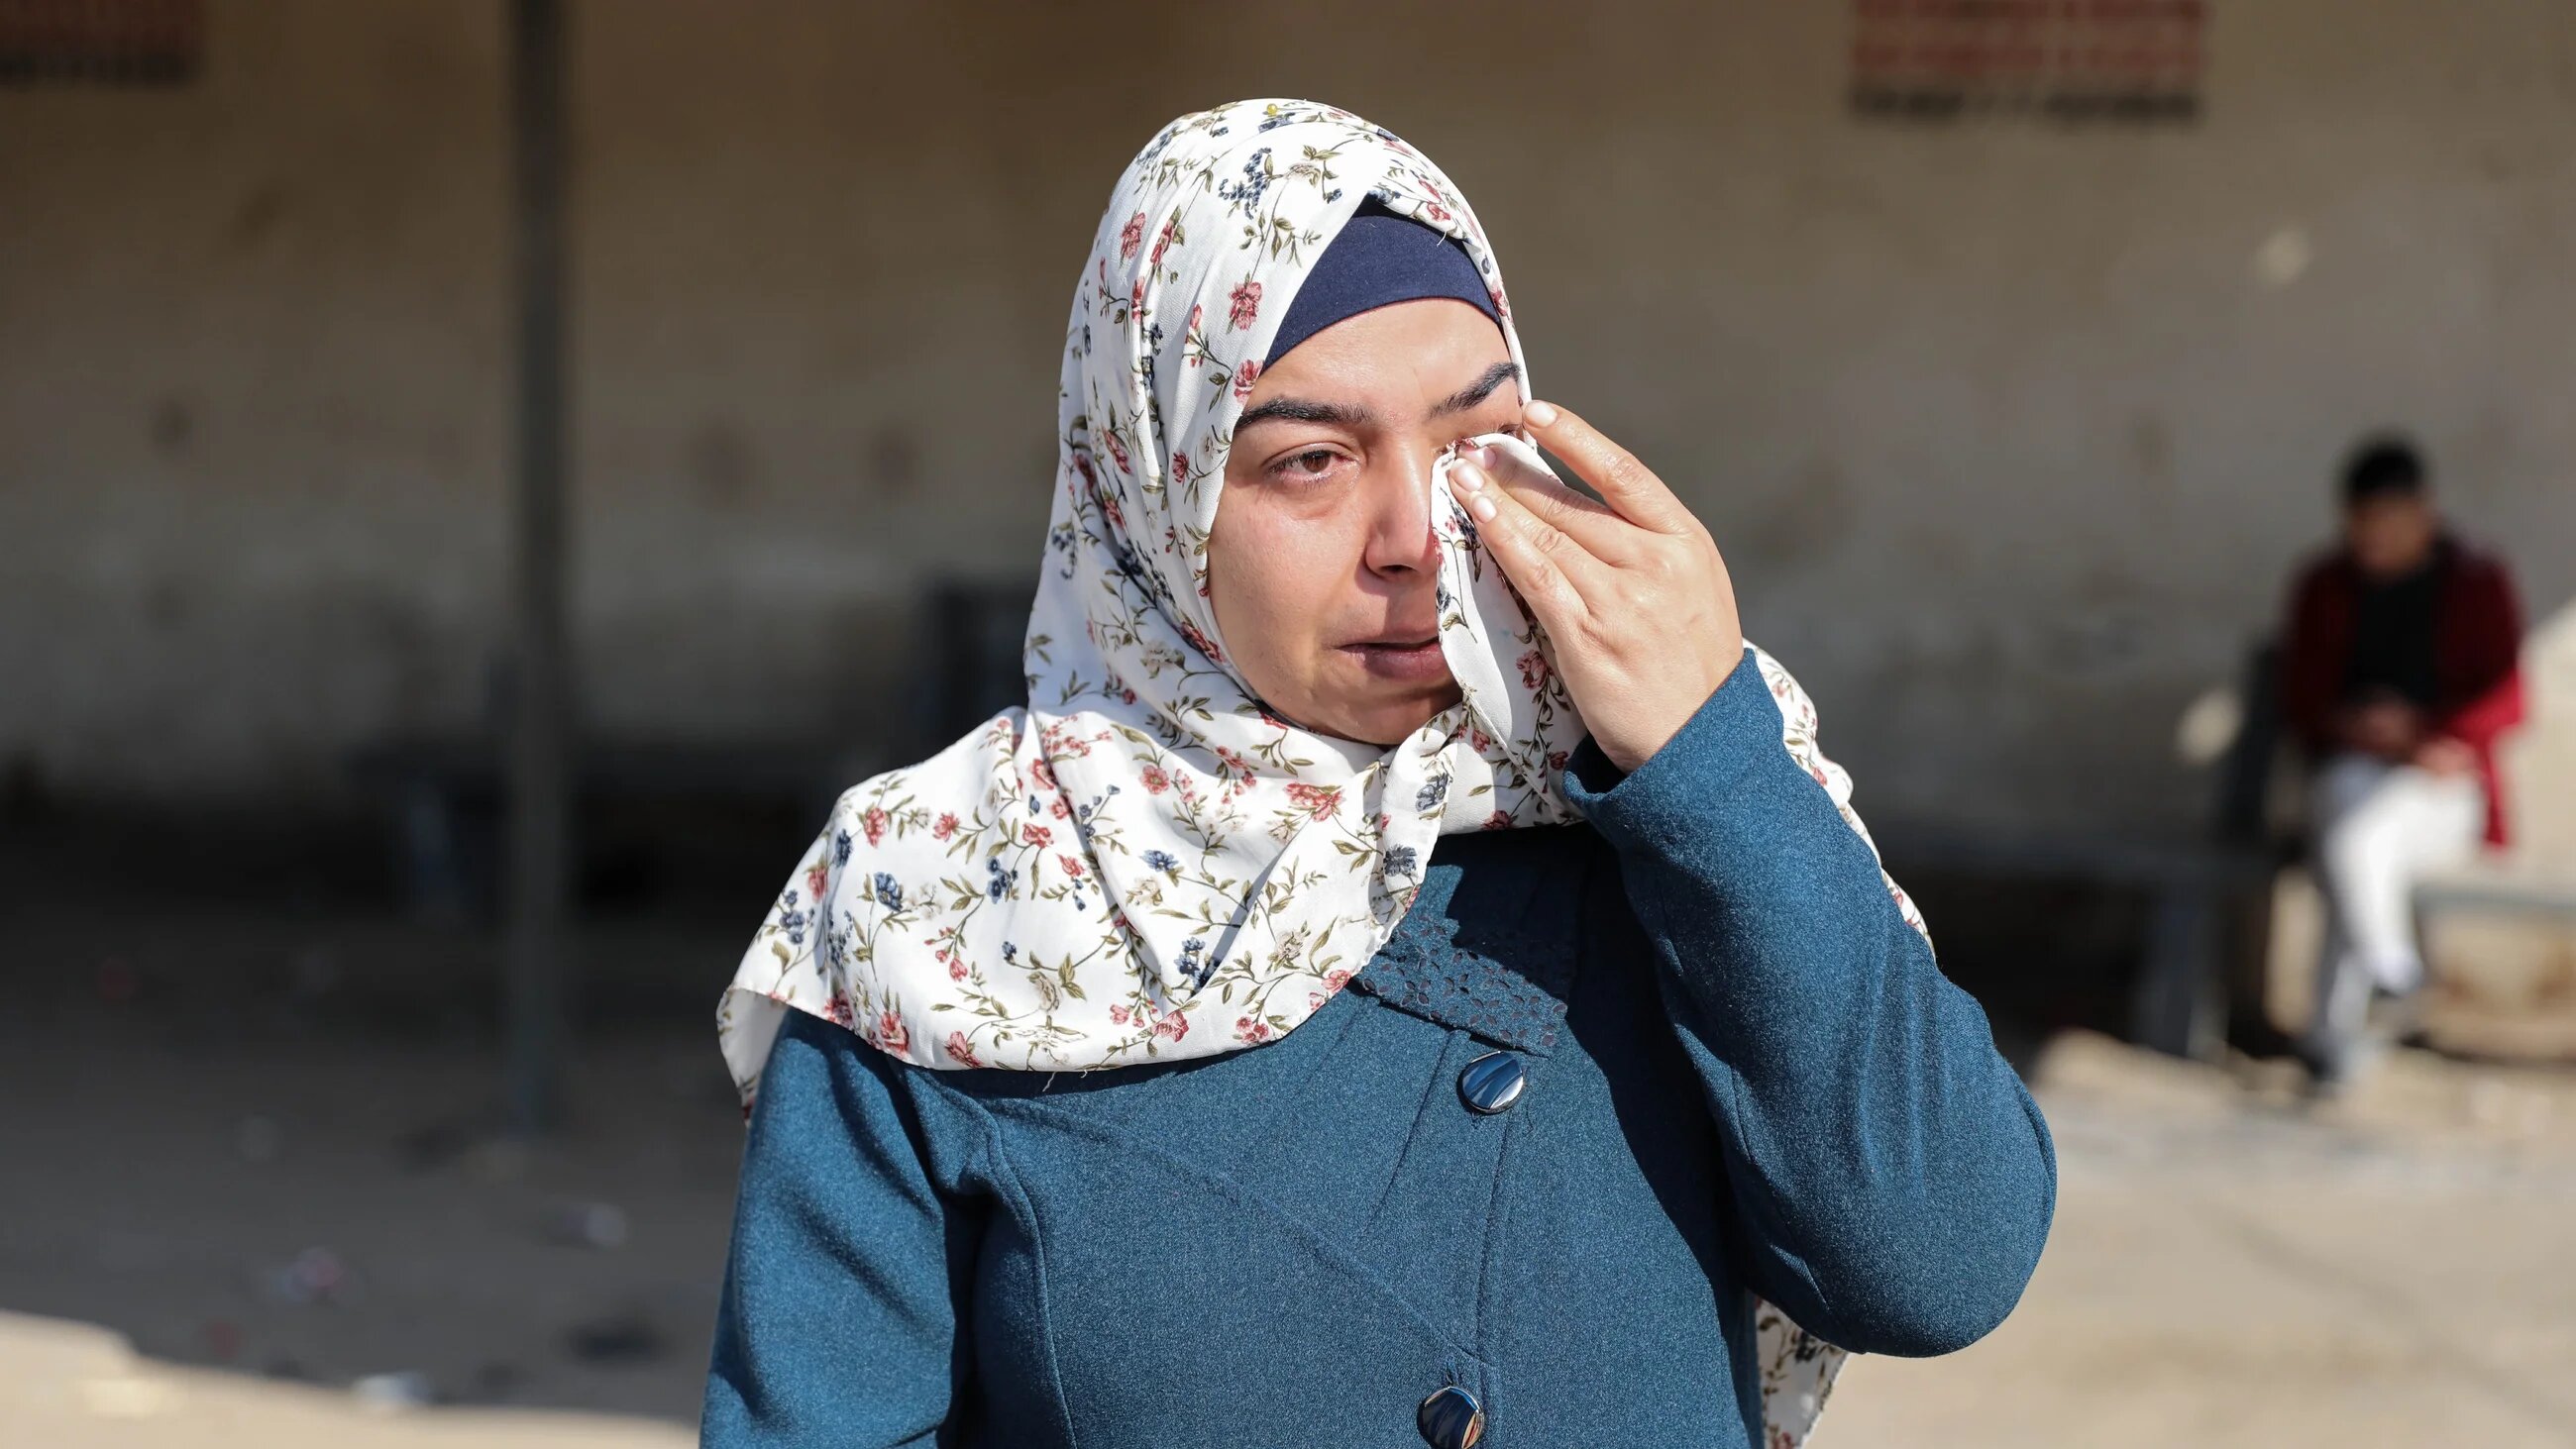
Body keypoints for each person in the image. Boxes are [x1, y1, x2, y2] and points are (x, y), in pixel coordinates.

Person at [704, 99, 2053, 1449]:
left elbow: (1939, 1261)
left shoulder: (1662, 805)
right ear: (1153, 497)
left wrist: (1713, 761)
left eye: (1471, 438)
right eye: (1311, 460)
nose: (1418, 532)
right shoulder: (943, 896)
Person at [2280, 436, 2526, 1089]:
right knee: (2352, 815)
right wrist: (2357, 727)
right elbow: (2301, 696)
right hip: (2354, 773)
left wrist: (2424, 734)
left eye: (2389, 526)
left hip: (2443, 790)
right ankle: (2389, 981)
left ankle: (2339, 1030)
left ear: (2425, 512)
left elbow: (2508, 699)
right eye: (2363, 527)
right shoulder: (2325, 585)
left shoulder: (2476, 582)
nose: (2375, 543)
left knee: (2353, 837)